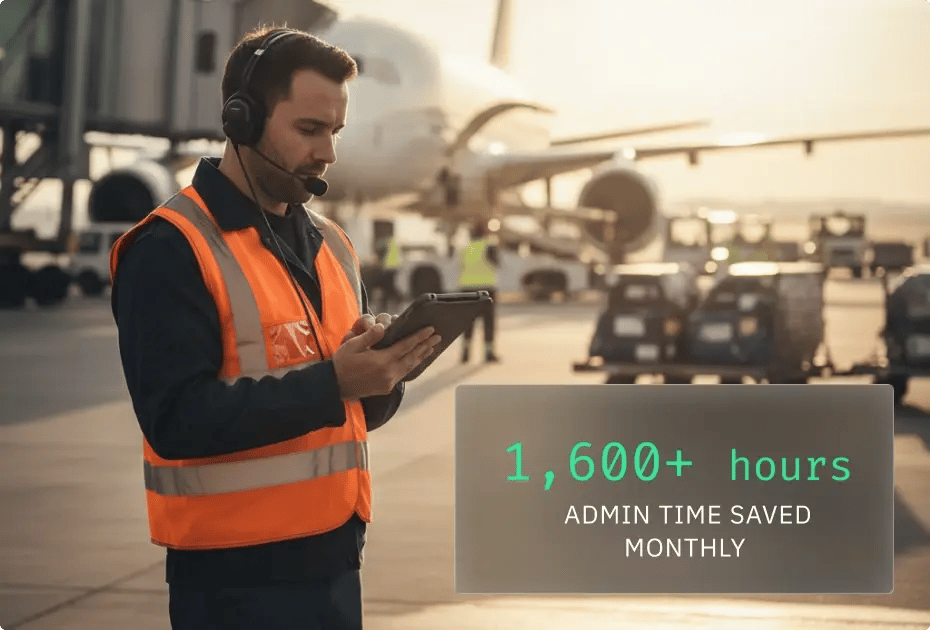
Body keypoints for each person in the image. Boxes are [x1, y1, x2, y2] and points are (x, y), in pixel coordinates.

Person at [109, 26, 440, 630]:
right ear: (242, 120)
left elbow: (352, 411)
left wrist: (383, 373)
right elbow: (176, 421)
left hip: (335, 562)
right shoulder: (170, 248)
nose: (329, 153)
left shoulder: (332, 245)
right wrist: (336, 381)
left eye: (334, 132)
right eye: (309, 130)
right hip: (232, 583)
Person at [458, 220, 500, 363]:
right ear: (485, 233)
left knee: (467, 323)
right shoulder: (489, 246)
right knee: (488, 322)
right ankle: (488, 353)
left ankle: (465, 353)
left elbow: (462, 266)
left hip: (466, 288)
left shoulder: (466, 247)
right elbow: (496, 263)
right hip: (486, 288)